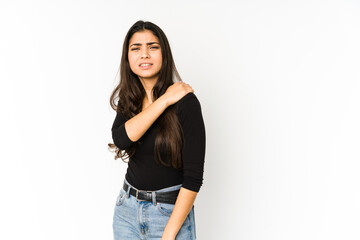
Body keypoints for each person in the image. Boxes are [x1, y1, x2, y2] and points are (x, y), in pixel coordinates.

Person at [108, 20, 206, 240]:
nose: (144, 54)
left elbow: (193, 178)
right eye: (136, 48)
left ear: (164, 54)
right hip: (127, 210)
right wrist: (163, 101)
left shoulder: (186, 103)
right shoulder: (130, 100)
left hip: (168, 214)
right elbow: (122, 139)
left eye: (153, 47)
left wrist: (170, 233)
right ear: (128, 58)